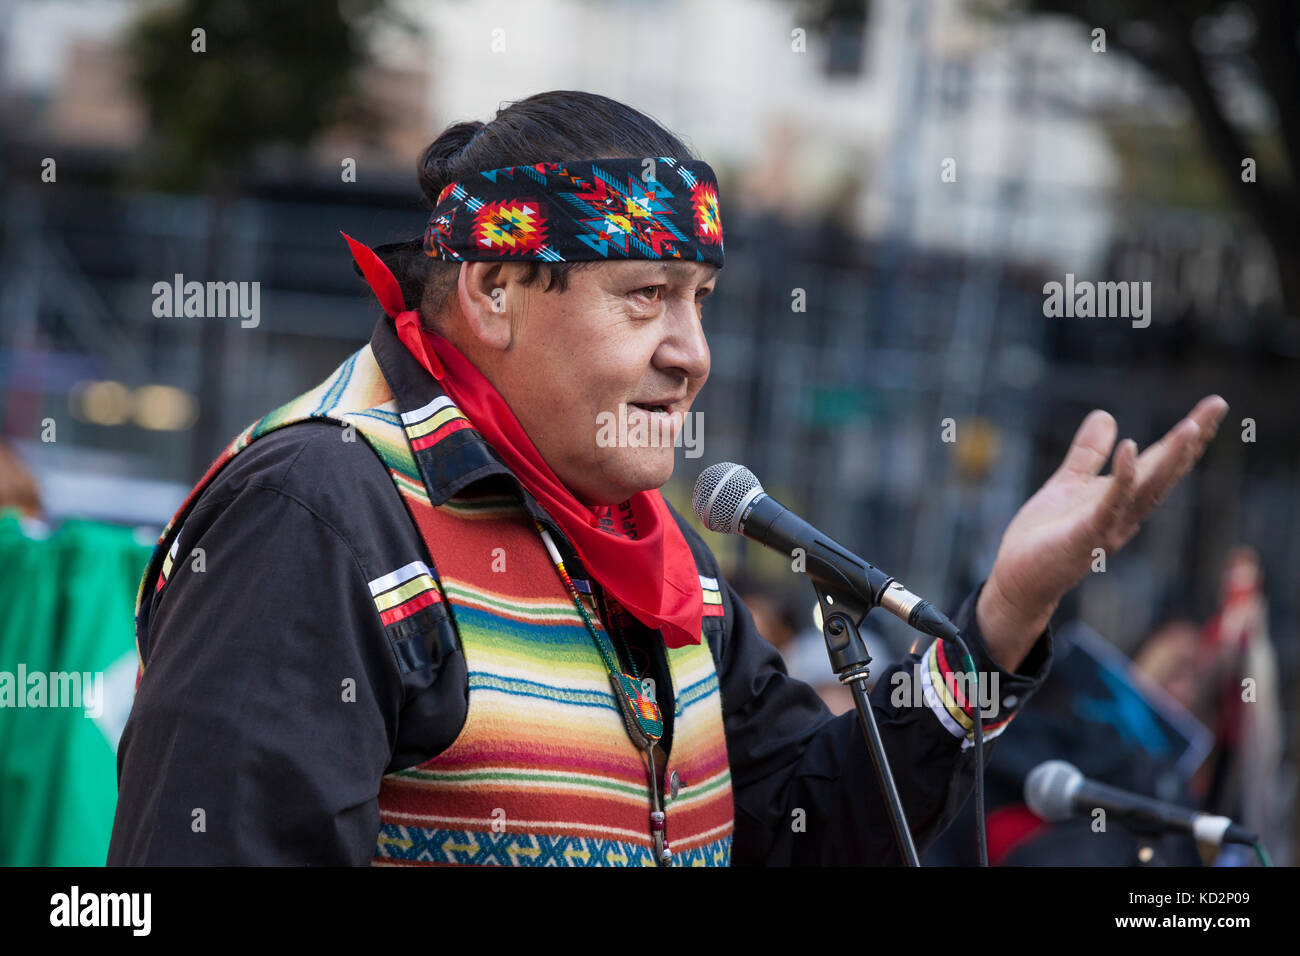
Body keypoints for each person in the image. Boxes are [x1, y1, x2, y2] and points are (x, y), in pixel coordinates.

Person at [107, 90, 1228, 866]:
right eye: (645, 294)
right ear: (495, 289)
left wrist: (1003, 619)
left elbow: (805, 828)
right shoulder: (318, 514)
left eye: (700, 298)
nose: (691, 351)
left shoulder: (654, 554)